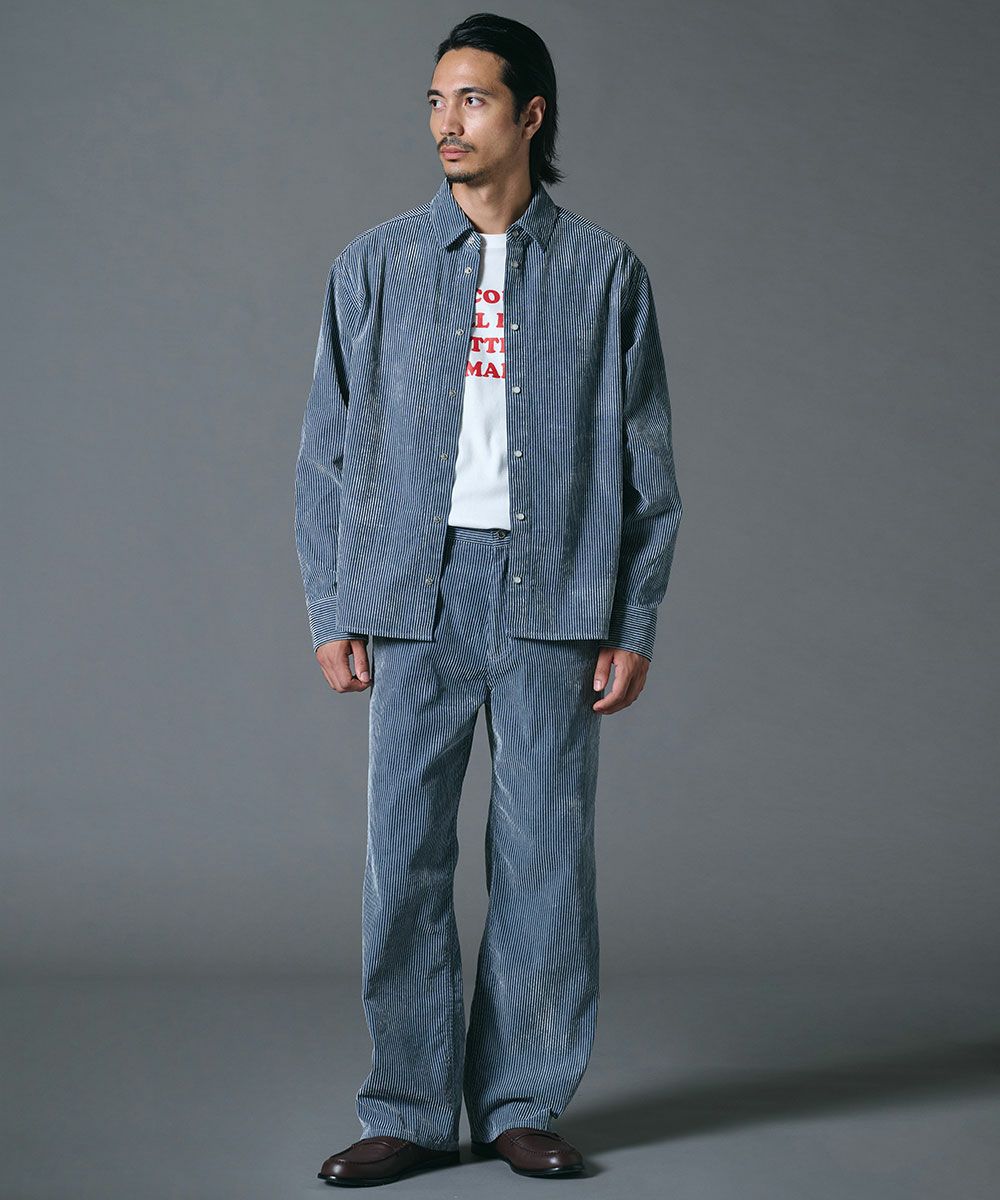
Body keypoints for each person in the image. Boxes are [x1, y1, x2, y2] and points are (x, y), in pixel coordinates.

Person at [296, 12, 683, 1187]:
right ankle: (409, 1110)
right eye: (434, 100)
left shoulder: (606, 275)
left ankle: (522, 1104)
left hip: (553, 593)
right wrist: (332, 606)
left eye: (470, 99)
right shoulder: (373, 266)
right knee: (403, 857)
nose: (446, 123)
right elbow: (324, 456)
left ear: (529, 115)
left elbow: (648, 468)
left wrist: (632, 618)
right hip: (410, 593)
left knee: (545, 860)